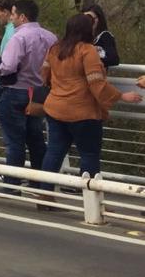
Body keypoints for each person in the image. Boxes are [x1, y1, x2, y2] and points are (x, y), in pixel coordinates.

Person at [39, 14, 142, 198]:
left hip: (55, 108)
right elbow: (97, 84)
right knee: (89, 154)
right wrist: (121, 95)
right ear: (88, 30)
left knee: (54, 152)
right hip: (83, 112)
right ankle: (92, 199)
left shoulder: (55, 49)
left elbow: (44, 75)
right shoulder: (88, 51)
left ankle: (44, 195)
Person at [0, 0, 57, 190]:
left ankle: (12, 184)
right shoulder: (51, 37)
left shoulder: (19, 37)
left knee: (14, 142)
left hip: (16, 90)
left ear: (22, 16)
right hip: (38, 94)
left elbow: (9, 67)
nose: (11, 18)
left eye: (13, 14)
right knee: (36, 139)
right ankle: (40, 183)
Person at [84, 4, 119, 70]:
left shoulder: (105, 36)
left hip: (96, 76)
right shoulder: (79, 36)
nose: (89, 21)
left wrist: (92, 59)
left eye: (91, 18)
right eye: (85, 18)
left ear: (99, 19)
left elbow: (114, 59)